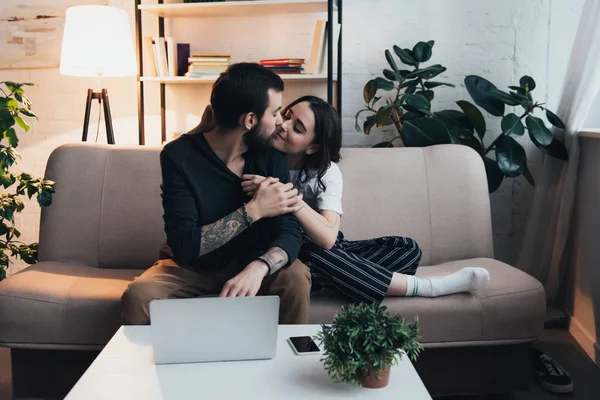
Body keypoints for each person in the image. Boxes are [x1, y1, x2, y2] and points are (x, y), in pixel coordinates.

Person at [199, 95, 491, 305]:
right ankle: (427, 287)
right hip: (284, 253)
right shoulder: (258, 155)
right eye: (286, 114)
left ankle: (337, 278)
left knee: (406, 250)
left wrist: (287, 196)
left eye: (297, 127)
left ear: (313, 146)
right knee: (312, 255)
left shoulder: (326, 172)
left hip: (323, 248)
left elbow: (328, 235)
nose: (284, 125)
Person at [121, 63, 311, 325]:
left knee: (296, 278)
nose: (280, 122)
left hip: (253, 260)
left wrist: (260, 266)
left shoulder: (270, 154)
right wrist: (254, 210)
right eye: (276, 113)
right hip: (190, 268)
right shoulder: (179, 156)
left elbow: (289, 231)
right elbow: (184, 245)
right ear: (250, 120)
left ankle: (288, 363)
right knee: (140, 295)